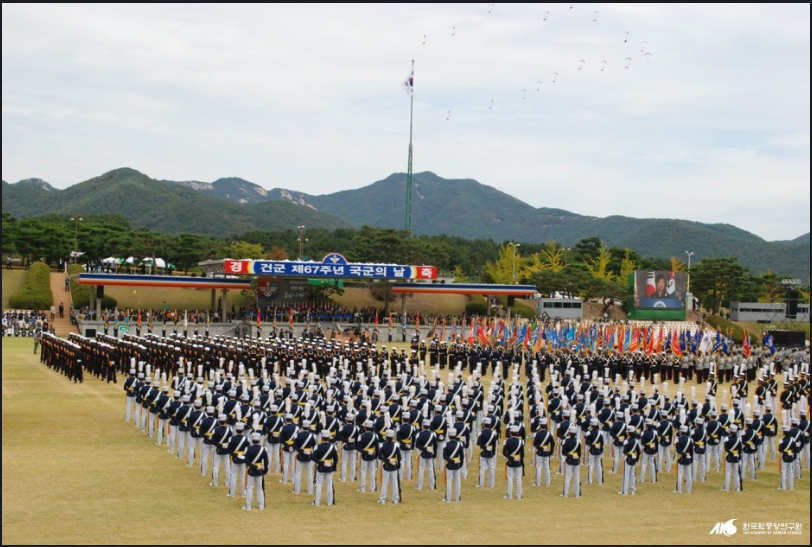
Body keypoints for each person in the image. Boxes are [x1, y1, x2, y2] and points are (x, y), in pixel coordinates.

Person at [243, 431, 269, 511]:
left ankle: (248, 506)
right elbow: (266, 461)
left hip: (251, 470)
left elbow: (246, 461)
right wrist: (264, 470)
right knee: (259, 488)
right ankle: (261, 506)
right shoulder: (263, 448)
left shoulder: (248, 449)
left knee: (250, 488)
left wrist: (253, 466)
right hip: (260, 470)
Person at [313, 430, 338, 506]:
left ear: (322, 438)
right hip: (329, 468)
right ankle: (329, 502)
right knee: (329, 485)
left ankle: (317, 502)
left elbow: (313, 458)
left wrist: (321, 463)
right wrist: (333, 467)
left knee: (319, 485)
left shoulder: (318, 447)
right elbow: (336, 459)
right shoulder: (333, 447)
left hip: (320, 468)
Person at [378, 429, 401, 505]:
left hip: (386, 465)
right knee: (394, 484)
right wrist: (398, 464)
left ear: (386, 437)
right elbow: (399, 456)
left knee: (384, 483)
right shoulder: (396, 445)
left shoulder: (382, 445)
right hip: (394, 465)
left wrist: (386, 460)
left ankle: (382, 499)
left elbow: (379, 456)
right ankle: (395, 499)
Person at [502, 424, 524, 499]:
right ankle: (519, 495)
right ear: (517, 433)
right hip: (518, 462)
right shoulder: (521, 442)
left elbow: (504, 452)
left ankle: (509, 495)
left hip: (510, 462)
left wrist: (510, 458)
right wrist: (521, 461)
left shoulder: (507, 441)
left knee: (510, 479)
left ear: (510, 433)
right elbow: (522, 454)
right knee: (518, 479)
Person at [442, 428, 464, 502]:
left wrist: (450, 461)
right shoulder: (459, 444)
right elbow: (462, 456)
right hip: (457, 464)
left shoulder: (446, 445)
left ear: (448, 436)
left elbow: (444, 456)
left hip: (449, 465)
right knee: (458, 482)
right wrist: (460, 464)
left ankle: (448, 499)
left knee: (449, 482)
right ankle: (457, 498)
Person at [532, 417, 554, 487]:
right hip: (547, 452)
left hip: (540, 452)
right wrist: (551, 452)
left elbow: (535, 444)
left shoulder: (537, 434)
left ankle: (538, 483)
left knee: (538, 467)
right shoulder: (549, 433)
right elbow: (553, 443)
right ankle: (548, 483)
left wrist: (540, 448)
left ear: (540, 425)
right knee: (546, 467)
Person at [476, 416, 498, 488]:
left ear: (484, 425)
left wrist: (484, 447)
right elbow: (494, 445)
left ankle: (481, 484)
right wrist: (493, 453)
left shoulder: (481, 433)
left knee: (482, 468)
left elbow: (478, 443)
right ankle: (491, 484)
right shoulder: (493, 433)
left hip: (483, 452)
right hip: (491, 453)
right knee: (491, 468)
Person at [561, 425, 581, 497]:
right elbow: (579, 453)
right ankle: (577, 494)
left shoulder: (566, 441)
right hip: (576, 460)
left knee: (567, 477)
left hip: (569, 460)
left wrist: (570, 456)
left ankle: (565, 494)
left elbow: (563, 452)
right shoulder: (578, 441)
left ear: (569, 433)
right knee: (576, 477)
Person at [674, 425, 694, 494]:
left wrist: (683, 454)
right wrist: (691, 459)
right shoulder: (690, 440)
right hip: (688, 458)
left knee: (680, 474)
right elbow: (691, 451)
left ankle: (679, 490)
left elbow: (678, 450)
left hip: (681, 458)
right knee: (688, 475)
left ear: (681, 432)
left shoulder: (678, 439)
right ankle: (688, 490)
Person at [778, 426, 796, 490]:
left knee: (783, 471)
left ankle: (783, 486)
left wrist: (784, 452)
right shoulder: (793, 439)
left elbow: (780, 449)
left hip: (784, 456)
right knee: (790, 472)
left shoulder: (781, 440)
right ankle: (791, 487)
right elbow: (795, 449)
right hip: (791, 456)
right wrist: (794, 455)